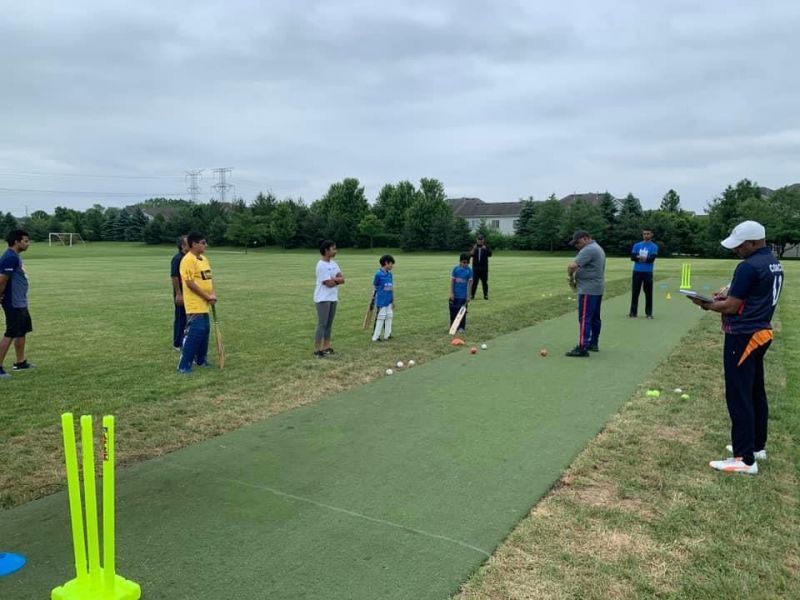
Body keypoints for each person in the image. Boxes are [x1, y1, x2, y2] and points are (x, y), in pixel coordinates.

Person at [690, 221, 783, 475]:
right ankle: (756, 446)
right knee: (754, 391)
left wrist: (706, 304)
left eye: (740, 246)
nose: (736, 251)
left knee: (739, 394)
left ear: (753, 243)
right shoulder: (772, 262)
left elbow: (731, 306)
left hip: (744, 335)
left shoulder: (748, 266)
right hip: (761, 332)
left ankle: (744, 458)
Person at [177, 232, 216, 374]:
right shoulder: (187, 260)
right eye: (203, 243)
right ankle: (184, 364)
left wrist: (212, 294)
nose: (205, 245)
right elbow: (189, 283)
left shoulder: (204, 259)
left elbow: (209, 278)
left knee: (205, 330)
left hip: (205, 302)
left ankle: (201, 359)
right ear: (194, 244)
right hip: (194, 303)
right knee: (196, 331)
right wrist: (206, 296)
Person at [0, 230, 34, 378]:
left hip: (20, 301)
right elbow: (2, 280)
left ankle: (20, 362)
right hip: (13, 302)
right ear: (16, 242)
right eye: (25, 241)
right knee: (11, 332)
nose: (28, 244)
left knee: (22, 330)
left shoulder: (15, 256)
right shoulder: (9, 258)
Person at [566, 230, 606, 357]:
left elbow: (572, 265)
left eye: (577, 243)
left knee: (584, 318)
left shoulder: (588, 249)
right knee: (594, 317)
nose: (576, 246)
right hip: (596, 288)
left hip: (588, 289)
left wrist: (570, 276)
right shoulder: (597, 248)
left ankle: (583, 347)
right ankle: (593, 343)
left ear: (585, 239)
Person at [314, 240, 345, 357]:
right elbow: (328, 283)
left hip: (333, 297)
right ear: (326, 250)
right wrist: (336, 280)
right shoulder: (321, 265)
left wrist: (335, 280)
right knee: (322, 324)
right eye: (333, 249)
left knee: (329, 324)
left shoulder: (334, 264)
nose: (335, 251)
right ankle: (317, 349)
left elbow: (342, 278)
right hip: (322, 298)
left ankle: (327, 347)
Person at [629, 228, 658, 318]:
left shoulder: (654, 246)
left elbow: (651, 259)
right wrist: (643, 258)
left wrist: (640, 257)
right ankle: (633, 312)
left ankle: (649, 313)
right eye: (644, 234)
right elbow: (632, 257)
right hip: (637, 271)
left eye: (648, 234)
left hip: (648, 272)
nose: (646, 235)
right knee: (635, 292)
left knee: (648, 293)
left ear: (651, 235)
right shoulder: (637, 245)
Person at [171, 235, 189, 351]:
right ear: (183, 245)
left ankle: (186, 340)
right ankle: (177, 343)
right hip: (181, 293)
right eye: (189, 243)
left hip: (190, 293)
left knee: (188, 318)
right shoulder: (178, 258)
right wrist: (178, 294)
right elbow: (174, 277)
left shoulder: (189, 258)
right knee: (181, 318)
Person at [371, 255, 395, 342]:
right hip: (381, 300)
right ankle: (375, 337)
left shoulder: (390, 274)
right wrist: (373, 298)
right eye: (391, 264)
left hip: (389, 300)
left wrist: (393, 299)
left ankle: (387, 335)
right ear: (386, 263)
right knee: (381, 317)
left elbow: (391, 287)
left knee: (389, 316)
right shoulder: (378, 274)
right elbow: (375, 286)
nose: (392, 266)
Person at [449, 252, 473, 333]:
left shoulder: (469, 271)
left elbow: (470, 284)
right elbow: (452, 282)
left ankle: (461, 327)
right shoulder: (455, 269)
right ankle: (453, 327)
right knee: (453, 312)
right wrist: (451, 293)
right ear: (460, 261)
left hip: (463, 296)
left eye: (467, 262)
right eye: (464, 262)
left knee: (462, 313)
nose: (465, 264)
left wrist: (469, 295)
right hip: (454, 295)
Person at [470, 234, 492, 300]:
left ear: (483, 240)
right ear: (477, 240)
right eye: (479, 239)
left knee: (484, 282)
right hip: (475, 268)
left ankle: (485, 295)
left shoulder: (486, 246)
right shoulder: (474, 246)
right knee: (474, 282)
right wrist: (474, 248)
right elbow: (470, 254)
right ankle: (472, 295)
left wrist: (485, 249)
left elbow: (490, 254)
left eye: (481, 239)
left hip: (484, 268)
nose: (480, 241)